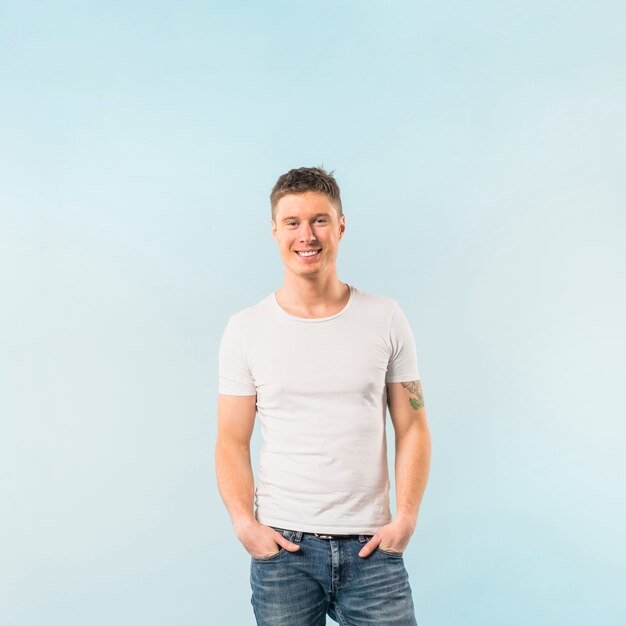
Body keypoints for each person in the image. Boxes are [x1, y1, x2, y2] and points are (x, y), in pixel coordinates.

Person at [215, 166, 431, 626]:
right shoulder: (246, 329)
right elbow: (230, 440)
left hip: (372, 546)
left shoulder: (385, 317)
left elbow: (412, 424)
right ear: (275, 230)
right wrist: (244, 525)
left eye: (319, 220)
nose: (306, 235)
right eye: (292, 222)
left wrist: (406, 518)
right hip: (284, 552)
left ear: (340, 226)